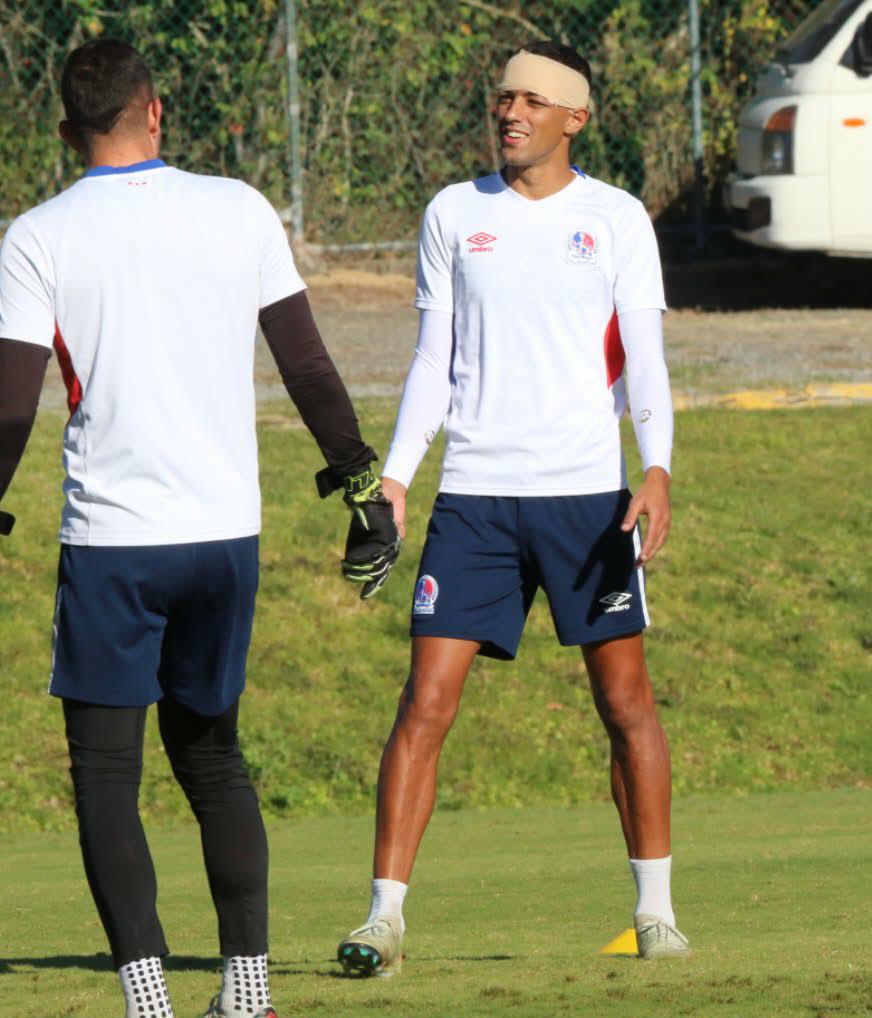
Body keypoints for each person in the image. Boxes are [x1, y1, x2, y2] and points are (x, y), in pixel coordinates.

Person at [0, 38, 399, 1018]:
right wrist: (362, 490)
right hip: (225, 536)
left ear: (66, 132)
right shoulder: (237, 209)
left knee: (108, 774)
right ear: (156, 109)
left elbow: (12, 405)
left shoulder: (40, 234)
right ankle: (247, 995)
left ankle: (150, 1003)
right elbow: (309, 366)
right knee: (213, 756)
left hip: (114, 541)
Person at [335, 39, 689, 976]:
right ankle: (383, 919)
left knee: (625, 704)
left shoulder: (615, 219)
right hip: (476, 503)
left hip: (587, 503)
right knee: (425, 702)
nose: (510, 112)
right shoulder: (454, 213)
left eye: (533, 100)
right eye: (502, 98)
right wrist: (401, 475)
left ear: (575, 117)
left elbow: (645, 358)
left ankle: (655, 910)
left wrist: (655, 470)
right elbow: (432, 362)